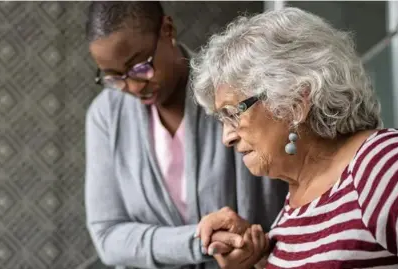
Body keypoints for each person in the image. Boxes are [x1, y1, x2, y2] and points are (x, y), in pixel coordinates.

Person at [190, 7, 398, 269]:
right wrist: (251, 260)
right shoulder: (296, 201)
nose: (226, 138)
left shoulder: (385, 164)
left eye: (233, 114)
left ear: (295, 102)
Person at [83, 2, 288, 269]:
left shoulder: (235, 90)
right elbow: (108, 235)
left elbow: (290, 191)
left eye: (140, 67)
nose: (132, 86)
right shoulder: (106, 116)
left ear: (167, 30)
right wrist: (200, 241)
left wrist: (250, 248)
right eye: (114, 77)